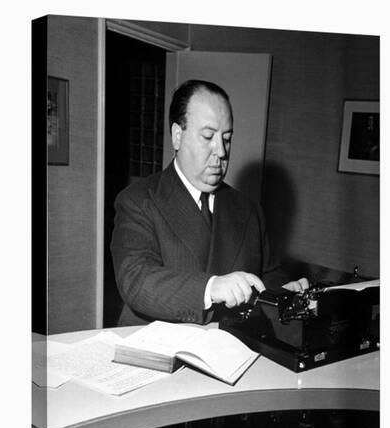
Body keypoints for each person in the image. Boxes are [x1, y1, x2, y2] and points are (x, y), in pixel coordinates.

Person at [111, 79, 308, 326]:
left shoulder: (248, 210)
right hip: (160, 352)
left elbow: (266, 274)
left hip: (231, 348)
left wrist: (283, 291)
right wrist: (211, 288)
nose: (222, 151)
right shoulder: (138, 200)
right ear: (177, 136)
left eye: (227, 138)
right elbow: (136, 280)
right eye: (208, 136)